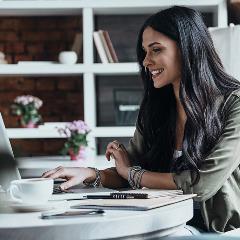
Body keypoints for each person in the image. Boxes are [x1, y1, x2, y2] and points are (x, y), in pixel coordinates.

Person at [42, 6, 240, 233]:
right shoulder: (155, 109)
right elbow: (131, 172)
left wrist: (132, 173)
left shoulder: (234, 103)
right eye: (145, 51)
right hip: (161, 222)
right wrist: (91, 174)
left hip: (215, 230)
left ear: (188, 49)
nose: (146, 61)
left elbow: (201, 184)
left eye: (156, 50)